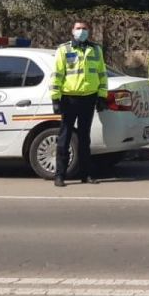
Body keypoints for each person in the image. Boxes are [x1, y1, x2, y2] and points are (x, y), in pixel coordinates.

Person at [50, 19, 108, 187]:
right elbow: (57, 74)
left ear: (88, 31)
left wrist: (102, 96)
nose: (81, 31)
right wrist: (55, 98)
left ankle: (86, 174)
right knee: (65, 137)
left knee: (84, 138)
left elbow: (102, 74)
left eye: (84, 28)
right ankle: (60, 175)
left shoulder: (95, 49)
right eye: (78, 28)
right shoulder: (64, 49)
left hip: (89, 97)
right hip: (69, 98)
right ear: (72, 30)